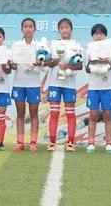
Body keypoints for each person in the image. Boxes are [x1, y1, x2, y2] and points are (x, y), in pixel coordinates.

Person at [11, 17, 49, 152]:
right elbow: (13, 65)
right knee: (20, 114)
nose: (28, 29)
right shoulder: (16, 45)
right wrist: (12, 64)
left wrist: (39, 63)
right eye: (25, 26)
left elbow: (45, 67)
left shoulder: (40, 46)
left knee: (34, 114)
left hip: (33, 84)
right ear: (22, 29)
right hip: (19, 83)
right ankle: (20, 142)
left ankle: (33, 142)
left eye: (30, 26)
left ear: (34, 29)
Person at [46, 18, 83, 152]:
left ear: (71, 29)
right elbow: (48, 63)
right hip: (54, 83)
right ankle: (52, 142)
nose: (64, 30)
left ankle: (71, 142)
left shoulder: (76, 45)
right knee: (54, 113)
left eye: (67, 27)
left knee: (70, 113)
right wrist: (56, 60)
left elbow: (80, 65)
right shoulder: (53, 44)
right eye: (62, 28)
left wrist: (67, 65)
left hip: (69, 84)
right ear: (59, 30)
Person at [85, 23, 111, 153]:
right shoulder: (89, 48)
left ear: (105, 35)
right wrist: (93, 62)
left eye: (101, 33)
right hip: (93, 87)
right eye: (96, 34)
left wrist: (107, 62)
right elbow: (86, 69)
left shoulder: (110, 47)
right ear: (93, 36)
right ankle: (91, 142)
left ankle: (109, 143)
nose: (99, 36)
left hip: (107, 86)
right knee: (93, 115)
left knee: (107, 115)